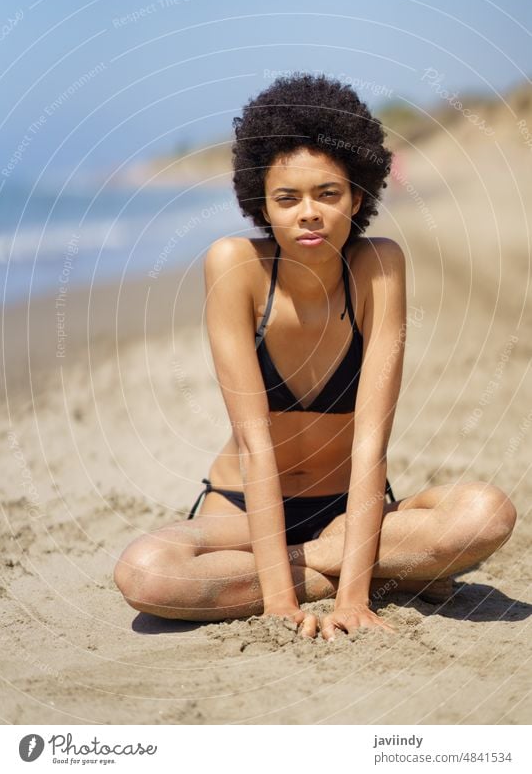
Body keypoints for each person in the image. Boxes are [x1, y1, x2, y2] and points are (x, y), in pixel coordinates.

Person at [114, 73, 516, 641]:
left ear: (358, 195)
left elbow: (372, 441)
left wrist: (353, 600)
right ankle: (383, 571)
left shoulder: (379, 267)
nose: (309, 212)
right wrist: (279, 604)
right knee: (145, 574)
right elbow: (255, 446)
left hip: (351, 510)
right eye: (287, 198)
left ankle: (342, 571)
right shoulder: (234, 266)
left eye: (328, 193)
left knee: (486, 514)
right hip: (242, 512)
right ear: (262, 203)